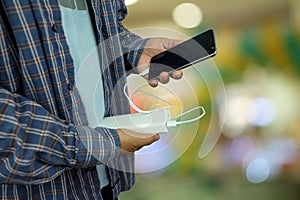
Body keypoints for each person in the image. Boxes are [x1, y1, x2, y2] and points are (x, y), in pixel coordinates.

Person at [0, 0, 182, 199]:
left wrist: (134, 50)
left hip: (103, 184)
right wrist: (96, 144)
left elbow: (102, 30)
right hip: (39, 191)